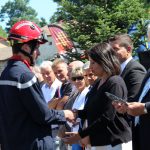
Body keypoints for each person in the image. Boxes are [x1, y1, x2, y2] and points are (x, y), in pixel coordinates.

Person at [0, 20, 75, 150]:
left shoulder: (6, 73)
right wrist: (65, 114)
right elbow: (43, 115)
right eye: (37, 48)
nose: (39, 53)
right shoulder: (25, 76)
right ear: (26, 48)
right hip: (31, 143)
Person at [62, 42, 132, 150]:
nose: (90, 67)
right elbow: (92, 110)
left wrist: (80, 135)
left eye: (93, 63)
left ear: (104, 61)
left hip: (116, 142)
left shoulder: (115, 82)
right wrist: (76, 114)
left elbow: (107, 117)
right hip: (100, 143)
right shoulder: (97, 84)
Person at [112, 68, 150, 150]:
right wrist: (127, 106)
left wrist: (145, 107)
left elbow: (144, 105)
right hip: (141, 136)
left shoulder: (136, 69)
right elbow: (141, 98)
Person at [109, 34, 146, 102]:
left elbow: (134, 100)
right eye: (110, 50)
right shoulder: (114, 70)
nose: (112, 53)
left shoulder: (136, 69)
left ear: (128, 49)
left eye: (115, 49)